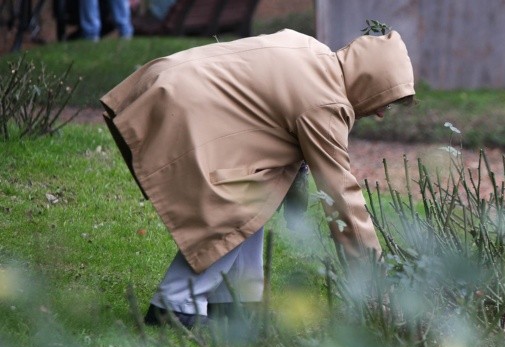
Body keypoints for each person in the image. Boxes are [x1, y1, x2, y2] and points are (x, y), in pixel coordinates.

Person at [100, 29, 415, 328]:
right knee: (233, 202)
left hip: (169, 82)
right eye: (385, 100)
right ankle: (175, 305)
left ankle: (234, 302)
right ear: (369, 82)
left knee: (255, 188)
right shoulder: (326, 104)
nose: (381, 113)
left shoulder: (311, 49)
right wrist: (378, 295)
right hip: (183, 108)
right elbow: (342, 199)